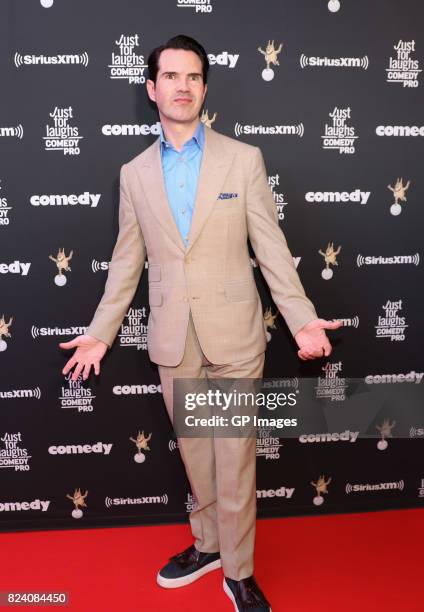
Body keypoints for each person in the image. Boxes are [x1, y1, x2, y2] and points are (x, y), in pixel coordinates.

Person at [59, 34, 341, 612]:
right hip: (173, 340)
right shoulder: (133, 173)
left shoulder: (243, 158)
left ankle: (238, 572)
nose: (181, 86)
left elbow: (270, 244)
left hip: (234, 336)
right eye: (170, 77)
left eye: (192, 77)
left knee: (234, 454)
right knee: (196, 456)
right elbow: (126, 260)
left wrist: (303, 320)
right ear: (151, 88)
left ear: (204, 88)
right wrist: (100, 330)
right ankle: (209, 544)